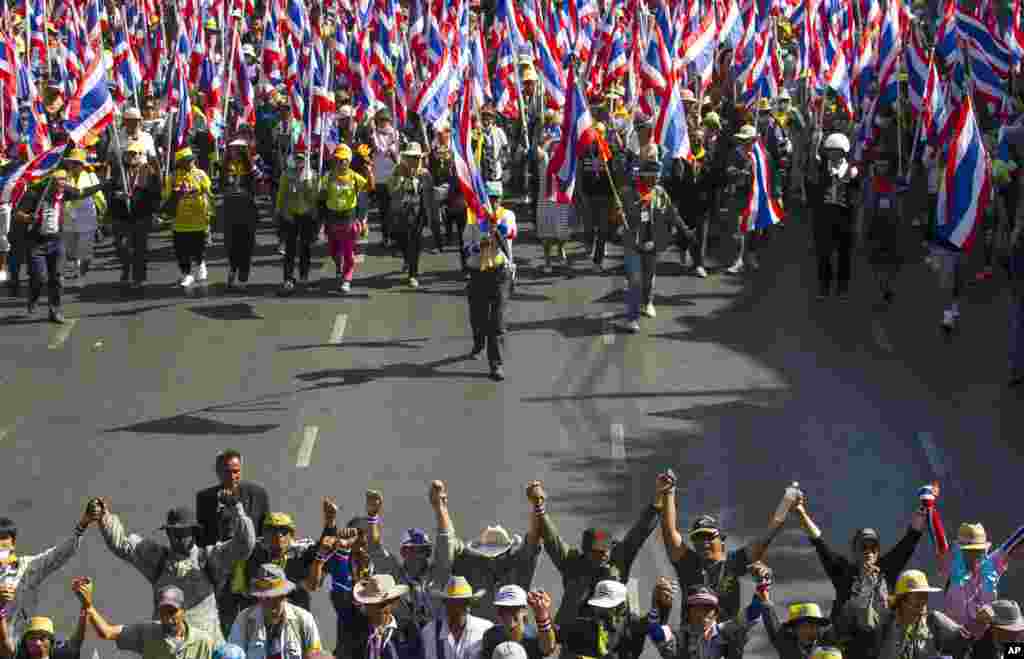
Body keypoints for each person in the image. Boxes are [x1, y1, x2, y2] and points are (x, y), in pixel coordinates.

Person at [94, 497, 256, 643]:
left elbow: (244, 546)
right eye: (173, 532)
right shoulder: (157, 559)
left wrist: (238, 510)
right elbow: (121, 545)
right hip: (167, 645)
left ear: (193, 532)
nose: (177, 537)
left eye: (182, 531)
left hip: (205, 647)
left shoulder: (210, 557)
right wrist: (104, 517)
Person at [792, 493, 925, 659]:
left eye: (873, 548)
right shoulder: (843, 572)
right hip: (846, 652)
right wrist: (801, 513)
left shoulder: (886, 571)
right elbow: (819, 542)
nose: (868, 552)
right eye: (863, 547)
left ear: (878, 552)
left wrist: (924, 508)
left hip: (881, 651)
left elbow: (910, 540)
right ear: (855, 551)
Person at [656, 471, 788, 625]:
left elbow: (766, 537)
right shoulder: (688, 563)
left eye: (709, 537)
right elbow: (669, 533)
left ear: (722, 541)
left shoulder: (734, 562)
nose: (703, 542)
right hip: (692, 643)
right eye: (698, 538)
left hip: (726, 642)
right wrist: (669, 492)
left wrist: (786, 504)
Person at [530, 479, 660, 632]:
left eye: (606, 549)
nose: (604, 554)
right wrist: (538, 506)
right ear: (585, 551)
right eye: (598, 551)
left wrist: (657, 505)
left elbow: (638, 534)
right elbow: (552, 539)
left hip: (611, 635)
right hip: (576, 636)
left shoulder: (617, 561)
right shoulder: (572, 563)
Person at [436, 480, 541, 623]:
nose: (493, 559)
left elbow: (534, 541)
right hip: (476, 639)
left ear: (508, 551)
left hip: (514, 636)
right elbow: (446, 543)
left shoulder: (519, 564)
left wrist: (538, 505)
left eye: (498, 553)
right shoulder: (467, 562)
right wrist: (440, 508)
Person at [617, 158, 691, 332]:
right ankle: (632, 318)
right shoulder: (626, 193)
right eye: (653, 176)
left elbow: (672, 213)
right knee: (635, 280)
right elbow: (614, 218)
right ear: (643, 177)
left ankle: (648, 301)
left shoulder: (659, 193)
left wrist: (685, 230)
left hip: (652, 243)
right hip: (632, 243)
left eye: (657, 176)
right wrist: (618, 214)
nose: (657, 180)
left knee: (648, 277)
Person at [22, 169, 105, 323]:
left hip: (57, 241)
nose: (64, 183)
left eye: (65, 179)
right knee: (39, 277)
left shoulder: (64, 192)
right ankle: (33, 299)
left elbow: (82, 193)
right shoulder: (34, 194)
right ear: (51, 182)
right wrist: (28, 217)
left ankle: (55, 311)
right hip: (36, 243)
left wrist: (102, 185)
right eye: (60, 180)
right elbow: (17, 213)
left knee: (57, 278)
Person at [0, 507, 91, 641]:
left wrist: (82, 525)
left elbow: (58, 554)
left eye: (2, 538)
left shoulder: (27, 567)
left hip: (21, 646)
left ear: (13, 543)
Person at [462, 182, 517, 381]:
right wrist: (479, 244)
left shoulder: (506, 215)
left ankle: (496, 364)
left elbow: (511, 233)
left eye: (496, 198)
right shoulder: (472, 218)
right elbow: (466, 247)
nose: (492, 202)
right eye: (489, 198)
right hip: (478, 273)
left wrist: (495, 228)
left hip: (500, 274)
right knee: (478, 316)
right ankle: (478, 342)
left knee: (497, 321)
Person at [80, 582, 219, 659]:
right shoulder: (147, 632)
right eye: (163, 612)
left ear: (184, 610)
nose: (167, 618)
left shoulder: (204, 641)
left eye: (172, 611)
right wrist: (88, 606)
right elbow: (107, 632)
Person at [938, 523, 1024, 638]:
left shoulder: (991, 565)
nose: (974, 556)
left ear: (984, 550)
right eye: (968, 551)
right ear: (960, 551)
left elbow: (1014, 540)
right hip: (954, 645)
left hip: (985, 643)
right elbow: (937, 535)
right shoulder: (949, 567)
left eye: (978, 551)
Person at [229, 564, 322, 659]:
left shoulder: (304, 619)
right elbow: (233, 654)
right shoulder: (244, 620)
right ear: (258, 597)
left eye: (275, 596)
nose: (269, 602)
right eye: (264, 597)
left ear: (284, 595)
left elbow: (317, 655)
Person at [647, 583, 764, 659]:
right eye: (697, 608)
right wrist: (656, 605)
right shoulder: (680, 638)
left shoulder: (725, 631)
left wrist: (762, 586)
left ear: (716, 613)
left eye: (707, 608)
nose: (702, 614)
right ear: (688, 612)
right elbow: (656, 633)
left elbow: (752, 613)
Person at [807, 133, 859, 301]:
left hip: (845, 218)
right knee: (824, 254)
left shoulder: (852, 170)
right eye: (830, 151)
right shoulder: (820, 168)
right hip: (824, 218)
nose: (833, 154)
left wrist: (852, 178)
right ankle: (824, 287)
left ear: (844, 152)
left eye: (837, 151)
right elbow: (811, 187)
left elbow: (857, 195)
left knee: (844, 255)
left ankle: (843, 287)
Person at [874, 570, 970, 659]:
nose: (923, 605)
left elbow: (963, 642)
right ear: (902, 601)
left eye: (925, 598)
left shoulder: (934, 621)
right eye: (918, 599)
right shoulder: (884, 624)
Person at [321, 144, 374, 294]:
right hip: (332, 219)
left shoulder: (354, 177)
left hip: (348, 219)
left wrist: (369, 173)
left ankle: (346, 279)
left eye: (344, 159)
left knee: (348, 252)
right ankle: (339, 265)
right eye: (338, 159)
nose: (341, 162)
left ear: (349, 161)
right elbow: (320, 195)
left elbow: (369, 188)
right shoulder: (328, 176)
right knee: (333, 251)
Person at [107, 141, 161, 288]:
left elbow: (155, 193)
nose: (132, 156)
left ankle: (139, 277)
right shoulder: (118, 171)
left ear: (141, 156)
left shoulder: (148, 171)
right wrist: (117, 195)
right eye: (129, 153)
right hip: (122, 215)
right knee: (121, 246)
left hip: (141, 214)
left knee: (140, 248)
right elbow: (110, 190)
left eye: (135, 154)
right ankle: (125, 268)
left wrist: (155, 212)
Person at [557, 580, 649, 659]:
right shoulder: (582, 628)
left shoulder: (634, 626)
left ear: (622, 608)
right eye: (597, 607)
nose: (599, 613)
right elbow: (556, 636)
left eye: (606, 609)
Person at [388, 142, 437, 289]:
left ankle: (413, 274)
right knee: (402, 240)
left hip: (418, 213)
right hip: (401, 212)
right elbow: (391, 190)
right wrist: (401, 178)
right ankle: (406, 258)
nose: (413, 161)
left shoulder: (425, 173)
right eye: (410, 158)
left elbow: (430, 194)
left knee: (415, 243)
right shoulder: (398, 170)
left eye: (416, 158)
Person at [164, 148, 213, 288]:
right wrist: (176, 193)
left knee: (198, 247)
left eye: (192, 159)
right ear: (180, 163)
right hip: (180, 221)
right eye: (187, 160)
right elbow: (167, 197)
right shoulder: (172, 177)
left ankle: (201, 264)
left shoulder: (200, 174)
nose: (191, 162)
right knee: (181, 251)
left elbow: (209, 191)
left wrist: (201, 191)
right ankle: (186, 274)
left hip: (198, 218)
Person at [276, 148, 320, 294]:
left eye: (302, 159)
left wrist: (310, 185)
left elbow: (314, 198)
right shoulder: (286, 175)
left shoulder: (313, 175)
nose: (299, 161)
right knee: (290, 249)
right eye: (297, 158)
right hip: (290, 215)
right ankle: (288, 278)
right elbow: (281, 195)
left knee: (305, 247)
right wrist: (280, 212)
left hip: (307, 215)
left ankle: (304, 277)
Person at [350, 574, 423, 659]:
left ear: (394, 603)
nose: (377, 610)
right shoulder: (356, 631)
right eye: (371, 604)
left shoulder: (409, 630)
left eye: (382, 605)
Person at [61, 149, 106, 285]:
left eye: (76, 163)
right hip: (68, 218)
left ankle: (82, 274)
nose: (73, 166)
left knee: (86, 252)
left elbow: (99, 198)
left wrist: (102, 215)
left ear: (82, 165)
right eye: (71, 163)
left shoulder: (91, 177)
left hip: (87, 217)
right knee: (70, 251)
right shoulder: (63, 177)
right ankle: (74, 268)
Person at [420, 576, 494, 659]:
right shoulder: (429, 632)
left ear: (469, 605)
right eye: (454, 603)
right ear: (446, 604)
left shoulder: (485, 629)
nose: (459, 608)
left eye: (464, 603)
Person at [221, 139, 259, 290]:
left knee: (246, 244)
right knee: (231, 243)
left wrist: (255, 173)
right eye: (231, 149)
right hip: (230, 208)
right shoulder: (225, 167)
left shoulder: (251, 168)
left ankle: (243, 276)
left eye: (237, 149)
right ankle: (232, 268)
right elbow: (222, 186)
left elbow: (260, 183)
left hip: (247, 209)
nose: (234, 152)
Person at [480, 587, 557, 659]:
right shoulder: (491, 635)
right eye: (502, 609)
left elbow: (548, 648)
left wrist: (542, 615)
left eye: (513, 609)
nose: (507, 614)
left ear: (525, 611)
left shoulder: (534, 637)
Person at [761, 601, 834, 659]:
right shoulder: (786, 644)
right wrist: (766, 603)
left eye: (814, 625)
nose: (810, 629)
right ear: (794, 629)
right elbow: (772, 624)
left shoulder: (828, 643)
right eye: (804, 626)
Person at [0, 611, 84, 659]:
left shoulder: (61, 655)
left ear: (51, 641)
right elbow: (4, 642)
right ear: (24, 642)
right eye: (32, 638)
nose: (37, 643)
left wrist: (85, 608)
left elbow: (77, 640)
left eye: (42, 638)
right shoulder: (19, 656)